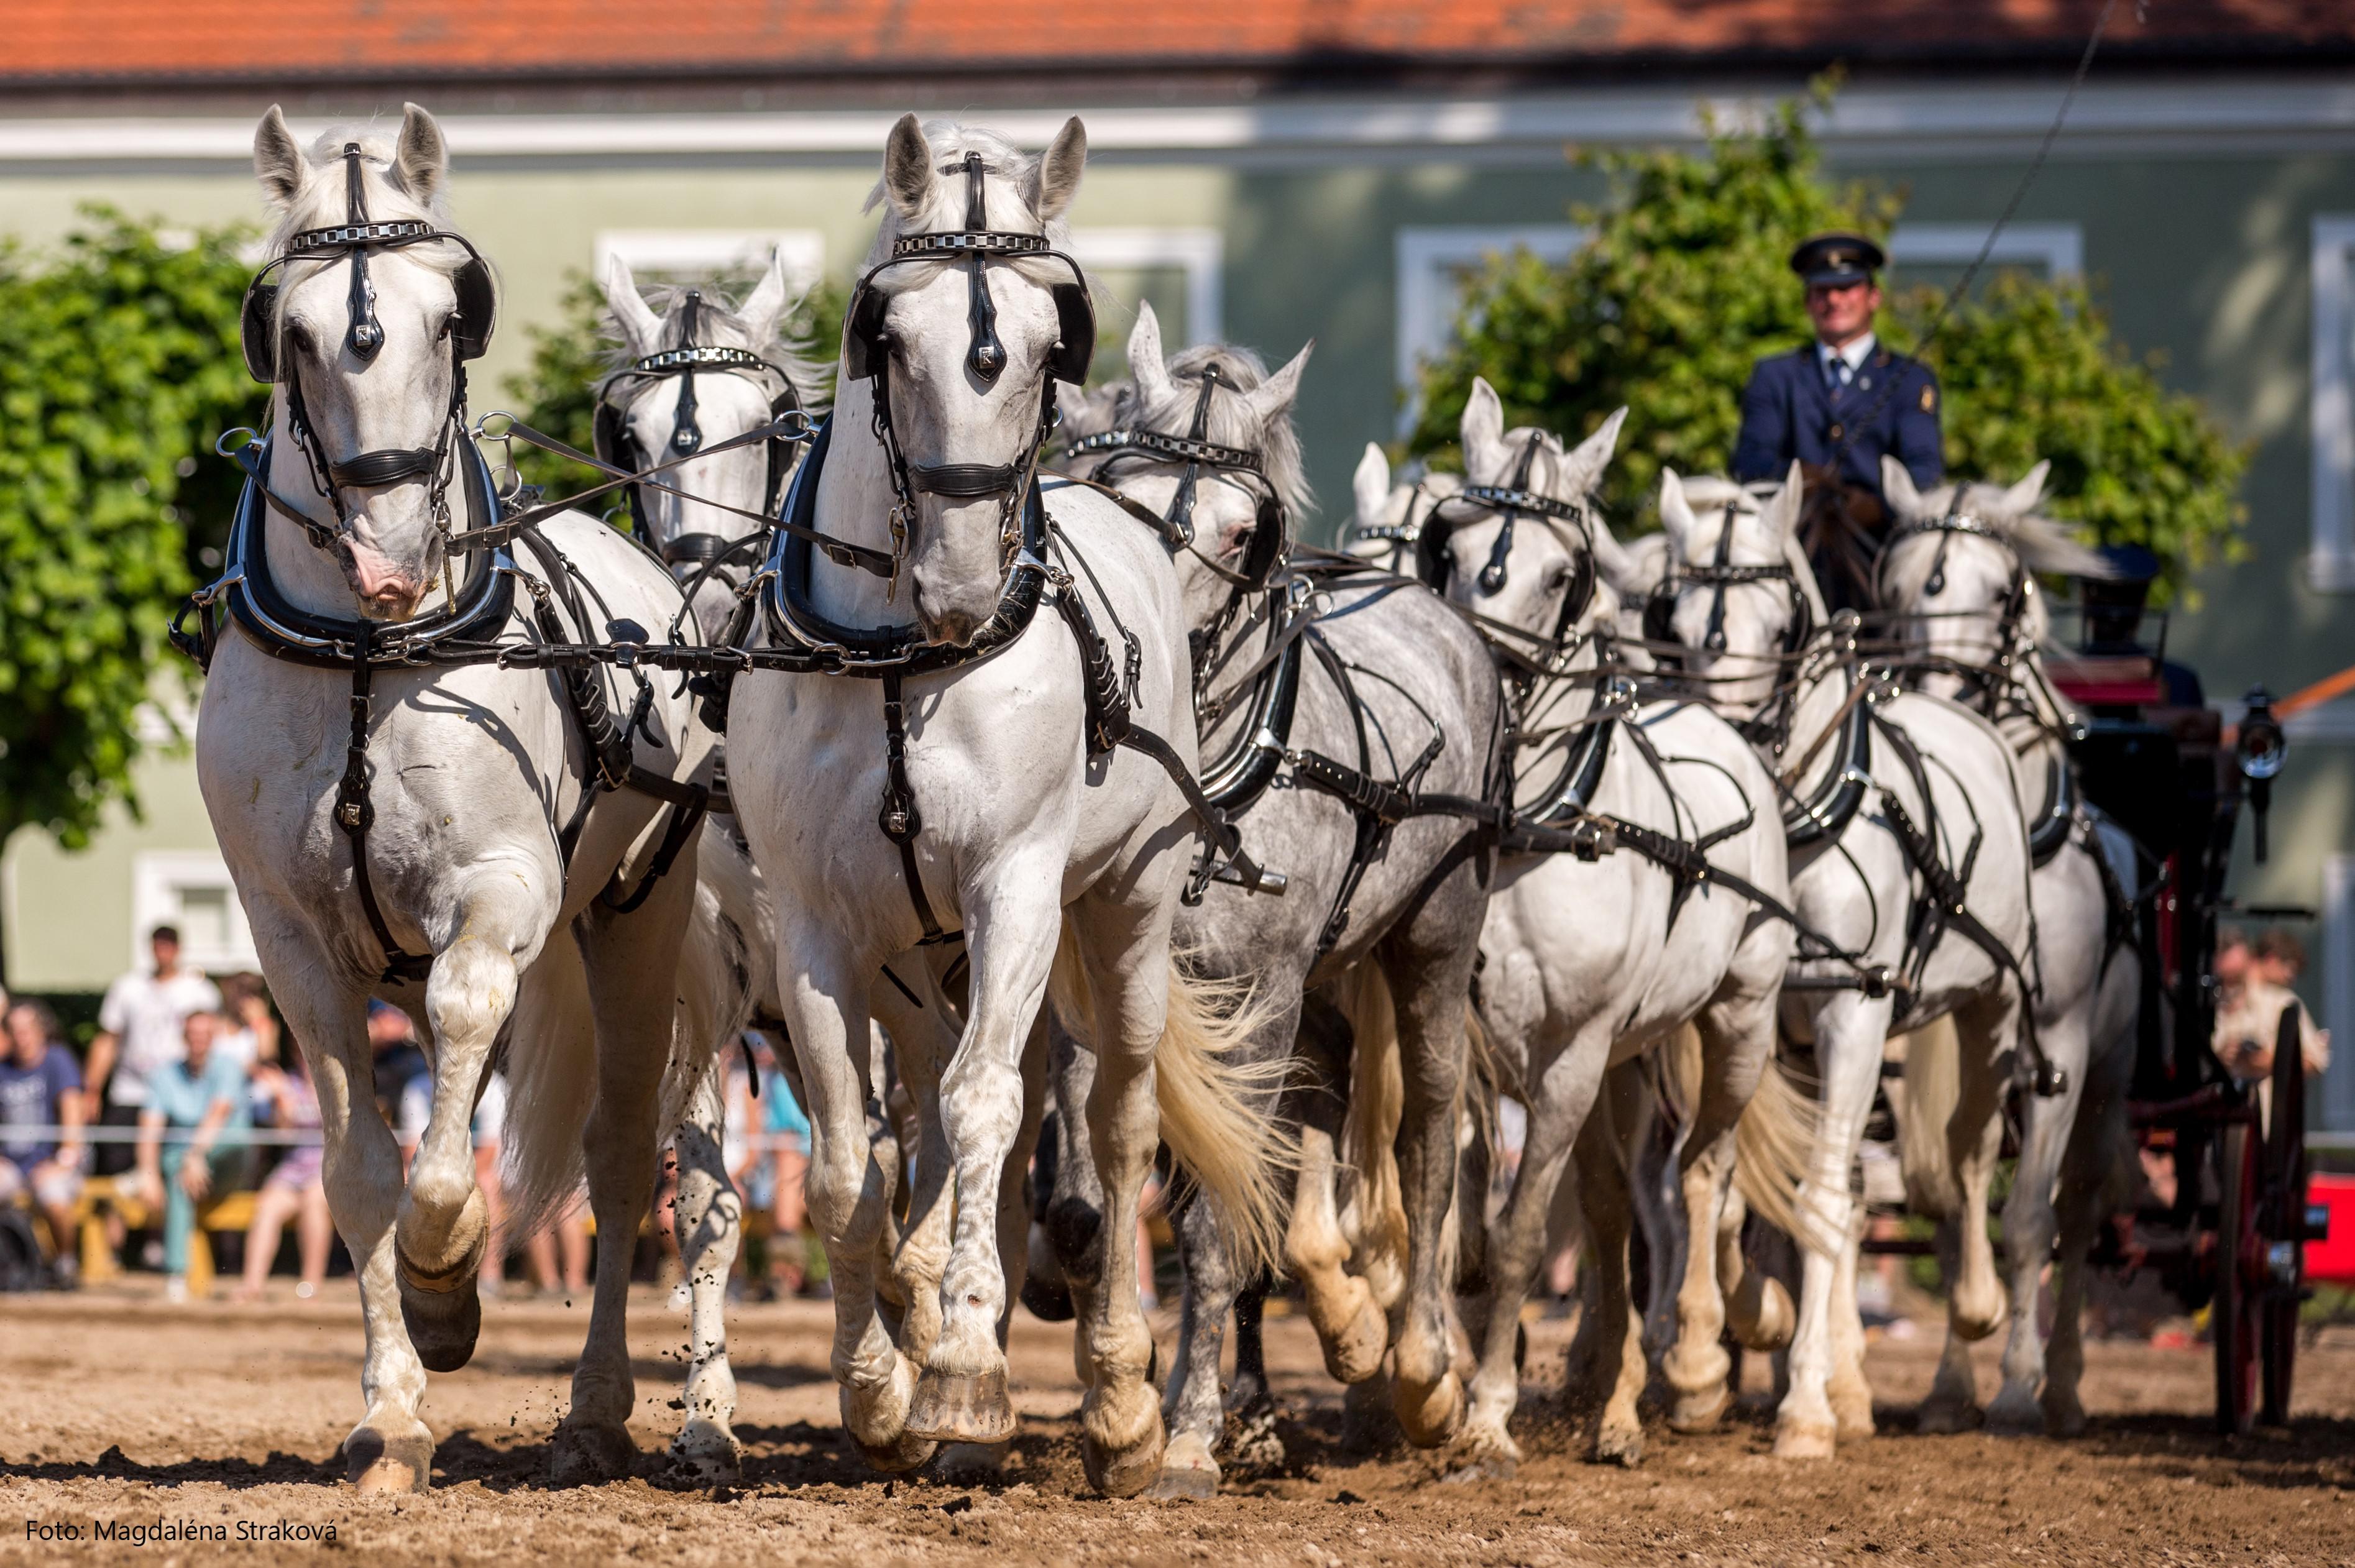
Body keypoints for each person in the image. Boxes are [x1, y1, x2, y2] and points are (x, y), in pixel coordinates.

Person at [1730, 231, 1944, 612]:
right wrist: (1801, 479)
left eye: (1846, 288)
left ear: (1873, 297)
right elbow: (1750, 463)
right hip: (1793, 558)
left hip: (1880, 558)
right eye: (1821, 291)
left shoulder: (1910, 379)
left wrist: (1875, 506)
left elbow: (1924, 472)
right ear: (1808, 302)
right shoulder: (1774, 376)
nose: (1834, 300)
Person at [134, 1010, 253, 1302]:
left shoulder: (229, 1067)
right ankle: (177, 1275)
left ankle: (176, 1273)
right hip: (187, 1164)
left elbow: (219, 1113)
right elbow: (149, 1128)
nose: (199, 1041)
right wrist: (148, 1175)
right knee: (178, 1175)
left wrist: (195, 1154)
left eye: (205, 1035)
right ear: (184, 1038)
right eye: (193, 1034)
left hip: (225, 1157)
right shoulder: (164, 1074)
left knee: (184, 1165)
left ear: (214, 1038)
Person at [86, 927, 221, 1178]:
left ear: (178, 949)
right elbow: (107, 1040)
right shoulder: (127, 987)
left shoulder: (200, 991)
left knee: (170, 1169)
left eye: (169, 945)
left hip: (178, 1094)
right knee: (117, 1165)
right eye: (159, 944)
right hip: (130, 1091)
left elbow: (213, 1043)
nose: (163, 951)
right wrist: (92, 1090)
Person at [0, 999, 88, 1285]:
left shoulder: (58, 1060)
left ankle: (65, 1264)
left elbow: (73, 1113)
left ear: (42, 1031)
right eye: (14, 1030)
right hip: (12, 1163)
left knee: (53, 1195)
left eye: (27, 1029)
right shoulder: (3, 1066)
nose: (21, 1037)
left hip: (54, 1161)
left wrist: (64, 1160)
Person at [235, 1047, 330, 1303]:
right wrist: (280, 1097)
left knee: (314, 1203)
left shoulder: (335, 1085)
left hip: (327, 1166)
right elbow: (284, 1131)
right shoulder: (286, 1084)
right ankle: (252, 1285)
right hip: (293, 1167)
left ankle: (311, 1285)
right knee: (266, 1207)